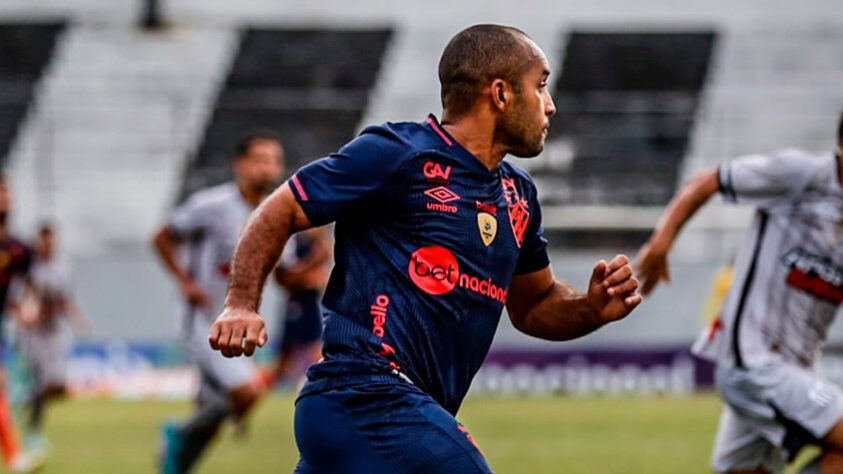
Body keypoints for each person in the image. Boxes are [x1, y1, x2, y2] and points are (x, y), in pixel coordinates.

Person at [208, 24, 642, 473]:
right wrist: (241, 303)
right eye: (541, 86)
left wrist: (590, 307)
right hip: (364, 394)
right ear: (500, 93)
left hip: (398, 416)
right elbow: (280, 209)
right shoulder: (399, 153)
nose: (550, 105)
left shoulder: (518, 195)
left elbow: (534, 304)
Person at [636, 113, 843, 473]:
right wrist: (661, 243)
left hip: (793, 373)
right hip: (756, 362)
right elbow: (709, 181)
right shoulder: (801, 174)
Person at [153, 131, 283, 473]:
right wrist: (186, 281)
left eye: (273, 161)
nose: (267, 168)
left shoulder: (278, 212)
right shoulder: (211, 205)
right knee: (246, 393)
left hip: (243, 328)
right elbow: (163, 236)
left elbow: (285, 274)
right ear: (239, 164)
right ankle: (176, 432)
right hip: (202, 322)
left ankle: (176, 459)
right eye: (259, 159)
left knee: (218, 409)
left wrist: (316, 270)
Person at [16, 223, 89, 455]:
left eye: (50, 239)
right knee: (40, 380)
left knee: (58, 386)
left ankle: (24, 398)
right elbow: (22, 295)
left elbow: (65, 298)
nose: (46, 244)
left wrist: (78, 320)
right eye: (42, 239)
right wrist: (25, 312)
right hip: (34, 333)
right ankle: (33, 432)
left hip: (55, 331)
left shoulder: (63, 267)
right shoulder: (30, 266)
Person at [0, 174, 44, 472]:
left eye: (6, 191)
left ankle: (15, 456)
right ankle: (15, 457)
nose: (5, 197)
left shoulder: (18, 248)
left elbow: (29, 286)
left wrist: (26, 306)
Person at [269, 227, 331, 387]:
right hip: (297, 306)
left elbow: (320, 279)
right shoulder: (296, 245)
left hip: (308, 305)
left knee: (315, 349)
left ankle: (324, 382)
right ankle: (265, 384)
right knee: (286, 356)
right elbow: (288, 278)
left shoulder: (315, 246)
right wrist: (311, 267)